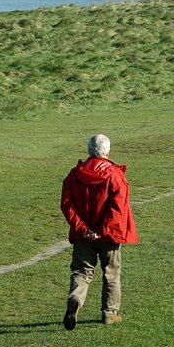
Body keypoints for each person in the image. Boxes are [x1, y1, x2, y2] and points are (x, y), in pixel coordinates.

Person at [60, 134, 138, 330]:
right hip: (108, 235)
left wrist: (83, 229)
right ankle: (110, 313)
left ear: (89, 151)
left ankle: (75, 300)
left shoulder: (73, 175)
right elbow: (117, 208)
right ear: (107, 152)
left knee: (81, 272)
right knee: (111, 273)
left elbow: (67, 205)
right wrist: (101, 231)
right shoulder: (114, 175)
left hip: (83, 236)